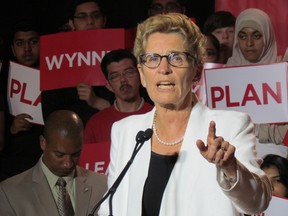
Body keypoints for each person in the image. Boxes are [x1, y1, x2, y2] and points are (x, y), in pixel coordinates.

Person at [98, 13, 271, 216]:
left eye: (176, 58)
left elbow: (257, 203)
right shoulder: (125, 131)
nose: (164, 69)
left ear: (196, 72)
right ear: (142, 74)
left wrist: (231, 169)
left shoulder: (232, 125)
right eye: (152, 58)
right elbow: (111, 207)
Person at [0, 110, 107, 216]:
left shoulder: (103, 185)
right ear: (43, 143)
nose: (68, 163)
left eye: (75, 155)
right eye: (59, 155)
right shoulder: (10, 193)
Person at [41, 0, 114, 125]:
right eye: (82, 17)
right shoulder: (56, 57)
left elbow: (129, 109)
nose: (90, 21)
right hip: (71, 137)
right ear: (71, 23)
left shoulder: (118, 56)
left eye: (95, 16)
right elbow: (50, 114)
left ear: (104, 20)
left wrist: (97, 102)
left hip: (111, 133)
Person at [225, 8, 287, 148]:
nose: (249, 43)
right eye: (242, 36)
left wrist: (258, 129)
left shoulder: (282, 71)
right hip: (232, 154)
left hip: (275, 157)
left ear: (267, 37)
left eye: (256, 36)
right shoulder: (222, 75)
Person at [0, 21, 43, 181]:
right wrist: (10, 129)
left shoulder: (57, 77)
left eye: (33, 42)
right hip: (13, 166)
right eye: (20, 43)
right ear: (12, 49)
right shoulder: (3, 78)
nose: (27, 49)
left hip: (46, 163)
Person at [84, 49, 153, 144]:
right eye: (115, 76)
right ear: (109, 86)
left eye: (129, 72)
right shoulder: (95, 124)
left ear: (140, 76)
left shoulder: (158, 117)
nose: (123, 80)